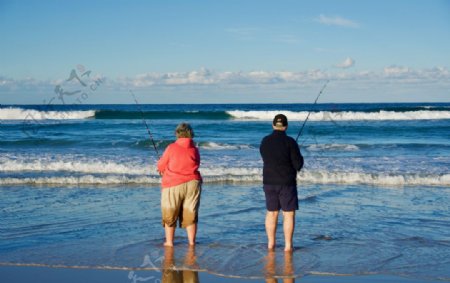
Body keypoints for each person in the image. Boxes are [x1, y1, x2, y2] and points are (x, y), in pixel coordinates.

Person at [260, 114, 303, 252]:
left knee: (271, 213)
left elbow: (265, 157)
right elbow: (298, 165)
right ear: (286, 126)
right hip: (286, 182)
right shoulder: (290, 142)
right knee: (288, 214)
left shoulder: (265, 141)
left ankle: (271, 244)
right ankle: (288, 246)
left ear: (273, 125)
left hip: (269, 181)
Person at [157, 122, 202, 246]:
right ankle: (192, 242)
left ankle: (170, 242)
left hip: (173, 183)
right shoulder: (194, 149)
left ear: (177, 134)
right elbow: (196, 163)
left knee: (170, 212)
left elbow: (160, 165)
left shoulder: (171, 147)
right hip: (193, 183)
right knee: (191, 212)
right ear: (190, 134)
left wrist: (162, 167)